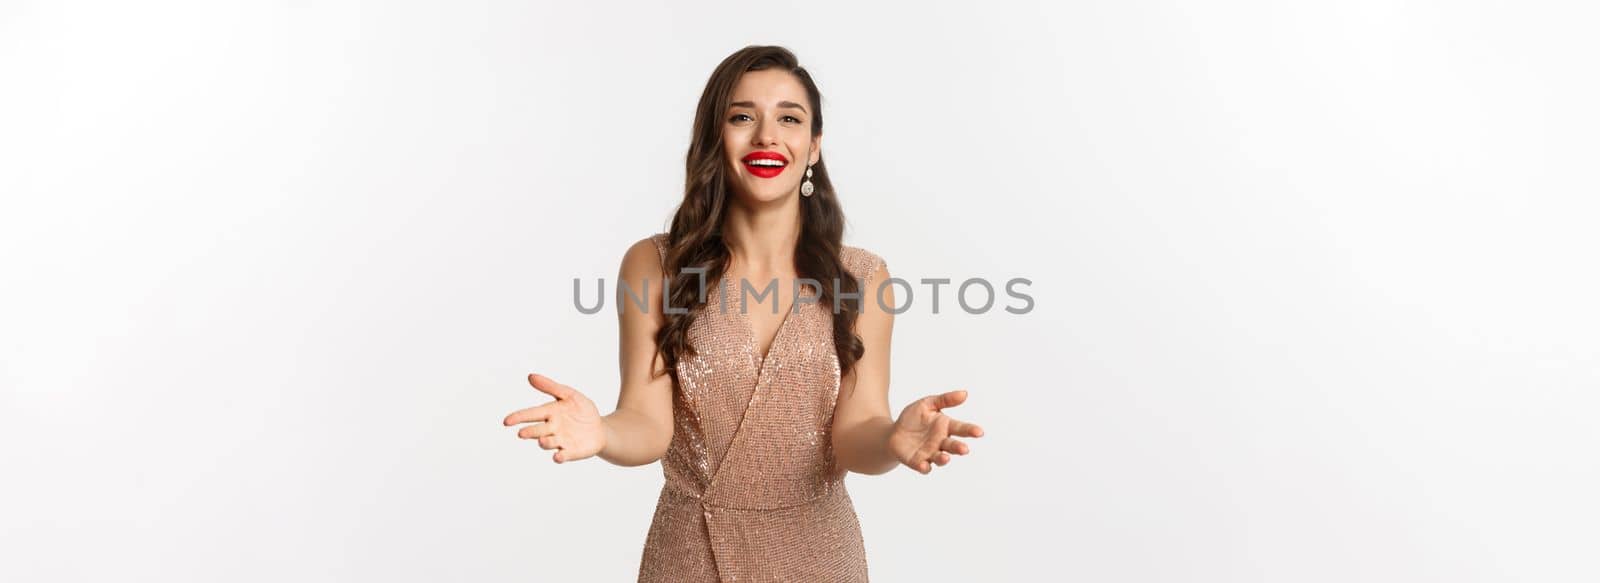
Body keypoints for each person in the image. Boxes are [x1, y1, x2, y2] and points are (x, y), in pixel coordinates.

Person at [501, 45, 985, 582]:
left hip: (820, 557)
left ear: (814, 146)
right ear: (716, 137)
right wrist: (603, 435)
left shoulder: (863, 278)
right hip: (689, 554)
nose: (766, 136)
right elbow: (646, 422)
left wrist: (893, 440)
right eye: (742, 117)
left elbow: (856, 433)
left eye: (789, 118)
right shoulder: (656, 264)